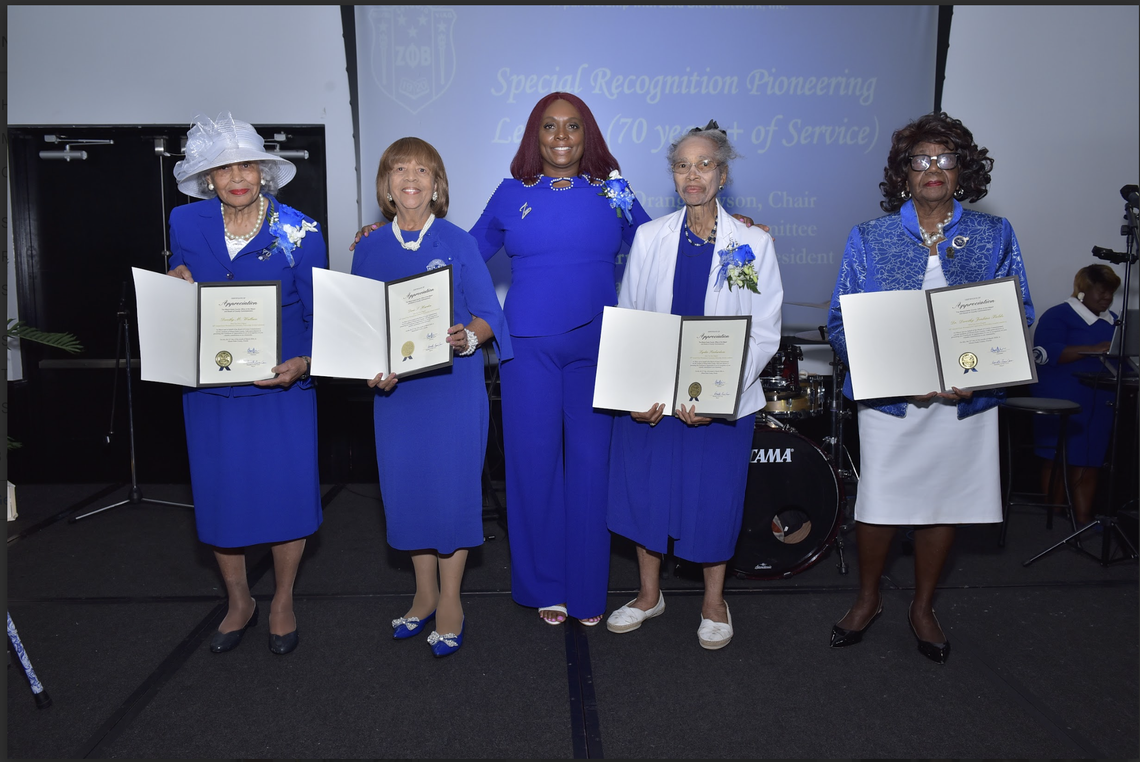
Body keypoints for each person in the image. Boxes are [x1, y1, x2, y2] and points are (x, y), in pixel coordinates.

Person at [350, 94, 759, 627]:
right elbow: (454, 252)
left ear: (587, 133)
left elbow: (666, 237)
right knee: (532, 468)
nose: (560, 135)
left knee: (591, 470)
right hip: (526, 353)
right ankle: (544, 585)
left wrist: (734, 227)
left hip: (599, 349)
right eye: (549, 126)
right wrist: (384, 237)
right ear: (533, 135)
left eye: (571, 126)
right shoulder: (509, 193)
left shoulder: (611, 189)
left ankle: (588, 592)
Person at [825, 111, 1033, 664]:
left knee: (945, 502)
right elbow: (842, 322)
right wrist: (897, 379)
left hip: (965, 407)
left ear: (962, 170)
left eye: (944, 158)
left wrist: (980, 376)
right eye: (921, 160)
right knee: (880, 503)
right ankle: (867, 600)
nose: (933, 169)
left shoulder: (995, 234)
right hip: (894, 403)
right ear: (904, 173)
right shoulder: (868, 237)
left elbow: (1017, 315)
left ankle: (922, 606)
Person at [603, 121, 783, 650]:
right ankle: (648, 595)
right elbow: (632, 316)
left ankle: (713, 601)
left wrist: (719, 397)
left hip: (720, 405)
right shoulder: (648, 237)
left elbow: (764, 330)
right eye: (682, 165)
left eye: (704, 164)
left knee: (714, 500)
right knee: (647, 494)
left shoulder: (750, 244)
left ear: (722, 175)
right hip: (655, 400)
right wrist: (636, 392)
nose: (692, 174)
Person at [169, 113, 326, 655]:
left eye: (246, 165)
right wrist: (174, 287)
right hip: (211, 390)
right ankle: (240, 600)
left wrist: (304, 362)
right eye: (222, 168)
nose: (236, 176)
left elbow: (319, 315)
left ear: (264, 171)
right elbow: (182, 295)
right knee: (220, 499)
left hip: (280, 387)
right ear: (206, 178)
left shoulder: (301, 229)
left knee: (287, 497)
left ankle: (282, 598)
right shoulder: (184, 225)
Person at [350, 137, 511, 657]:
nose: (411, 178)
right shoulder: (369, 247)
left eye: (423, 169)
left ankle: (451, 601)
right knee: (409, 492)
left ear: (437, 184)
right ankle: (421, 594)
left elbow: (491, 317)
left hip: (453, 392)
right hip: (398, 398)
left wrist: (467, 335)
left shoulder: (460, 241)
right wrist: (370, 370)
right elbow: (361, 331)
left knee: (452, 493)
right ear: (386, 184)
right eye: (400, 169)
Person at [1030, 264, 1122, 525]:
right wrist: (1094, 349)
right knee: (1057, 458)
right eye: (1102, 292)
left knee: (1089, 459)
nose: (1107, 298)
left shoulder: (1113, 320)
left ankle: (1083, 521)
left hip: (1099, 401)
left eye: (1111, 293)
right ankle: (1054, 516)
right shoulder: (1058, 315)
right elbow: (1047, 353)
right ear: (1083, 291)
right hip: (1062, 399)